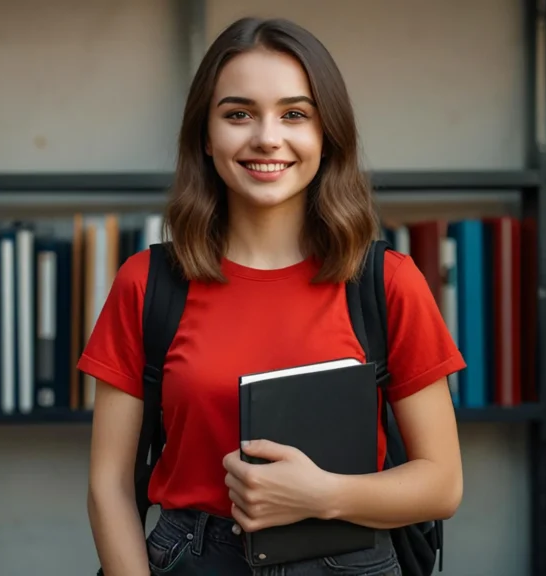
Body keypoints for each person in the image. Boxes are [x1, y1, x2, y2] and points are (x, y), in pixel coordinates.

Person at [78, 16, 465, 576]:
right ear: (205, 138)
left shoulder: (387, 281)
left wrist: (320, 495)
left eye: (294, 114)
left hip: (350, 557)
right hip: (193, 557)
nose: (266, 137)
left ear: (326, 134)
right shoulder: (146, 283)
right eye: (238, 114)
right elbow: (108, 486)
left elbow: (442, 483)